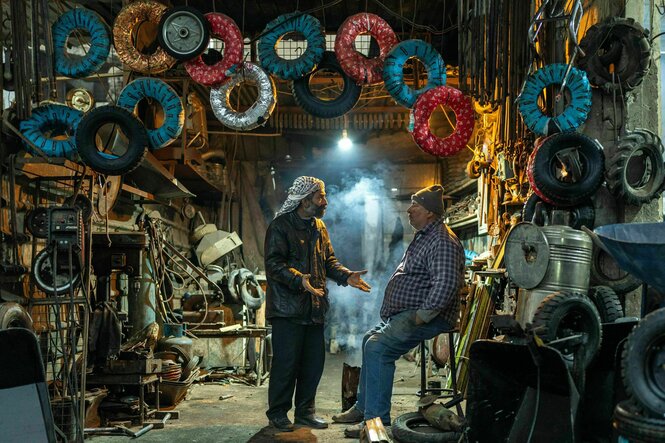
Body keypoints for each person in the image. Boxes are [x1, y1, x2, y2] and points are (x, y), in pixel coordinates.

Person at [331, 184, 465, 438]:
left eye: (416, 205)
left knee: (379, 348)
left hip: (429, 316)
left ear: (430, 212)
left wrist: (421, 315)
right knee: (369, 339)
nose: (409, 209)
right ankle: (362, 408)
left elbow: (446, 283)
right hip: (411, 312)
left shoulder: (443, 240)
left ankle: (376, 421)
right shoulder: (426, 235)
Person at [264, 175, 371, 432]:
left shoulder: (319, 227)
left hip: (314, 308)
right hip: (287, 310)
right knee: (286, 364)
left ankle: (305, 412)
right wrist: (299, 280)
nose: (325, 201)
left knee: (312, 365)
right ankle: (278, 413)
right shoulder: (280, 226)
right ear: (304, 200)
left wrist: (346, 276)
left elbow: (329, 262)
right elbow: (273, 265)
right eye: (320, 196)